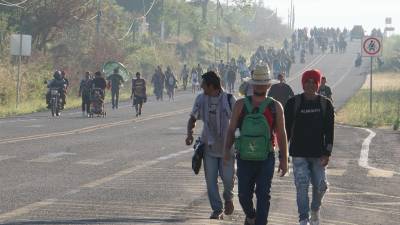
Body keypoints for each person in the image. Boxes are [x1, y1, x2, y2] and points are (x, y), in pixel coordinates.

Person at [224, 65, 289, 225]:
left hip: (266, 158)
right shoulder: (240, 105)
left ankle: (260, 222)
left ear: (268, 85)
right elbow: (231, 130)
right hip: (244, 158)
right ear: (252, 85)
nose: (260, 86)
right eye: (257, 83)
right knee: (243, 195)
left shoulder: (275, 107)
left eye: (263, 83)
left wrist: (284, 159)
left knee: (263, 194)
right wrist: (226, 151)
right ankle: (251, 216)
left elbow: (281, 134)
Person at [284, 69, 335, 225]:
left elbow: (329, 131)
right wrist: (283, 152)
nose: (311, 85)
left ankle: (314, 209)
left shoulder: (325, 104)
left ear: (318, 84)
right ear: (303, 83)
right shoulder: (293, 103)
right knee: (302, 185)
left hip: (319, 154)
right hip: (298, 153)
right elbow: (285, 129)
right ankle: (303, 218)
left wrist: (327, 153)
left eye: (314, 82)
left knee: (321, 186)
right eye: (307, 81)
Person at [185, 71, 236, 220]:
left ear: (211, 86)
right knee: (210, 181)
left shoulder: (229, 99)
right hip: (209, 147)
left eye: (203, 85)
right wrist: (189, 134)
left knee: (228, 179)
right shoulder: (201, 99)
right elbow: (192, 118)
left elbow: (238, 120)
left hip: (227, 147)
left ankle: (228, 198)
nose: (201, 87)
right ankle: (217, 209)